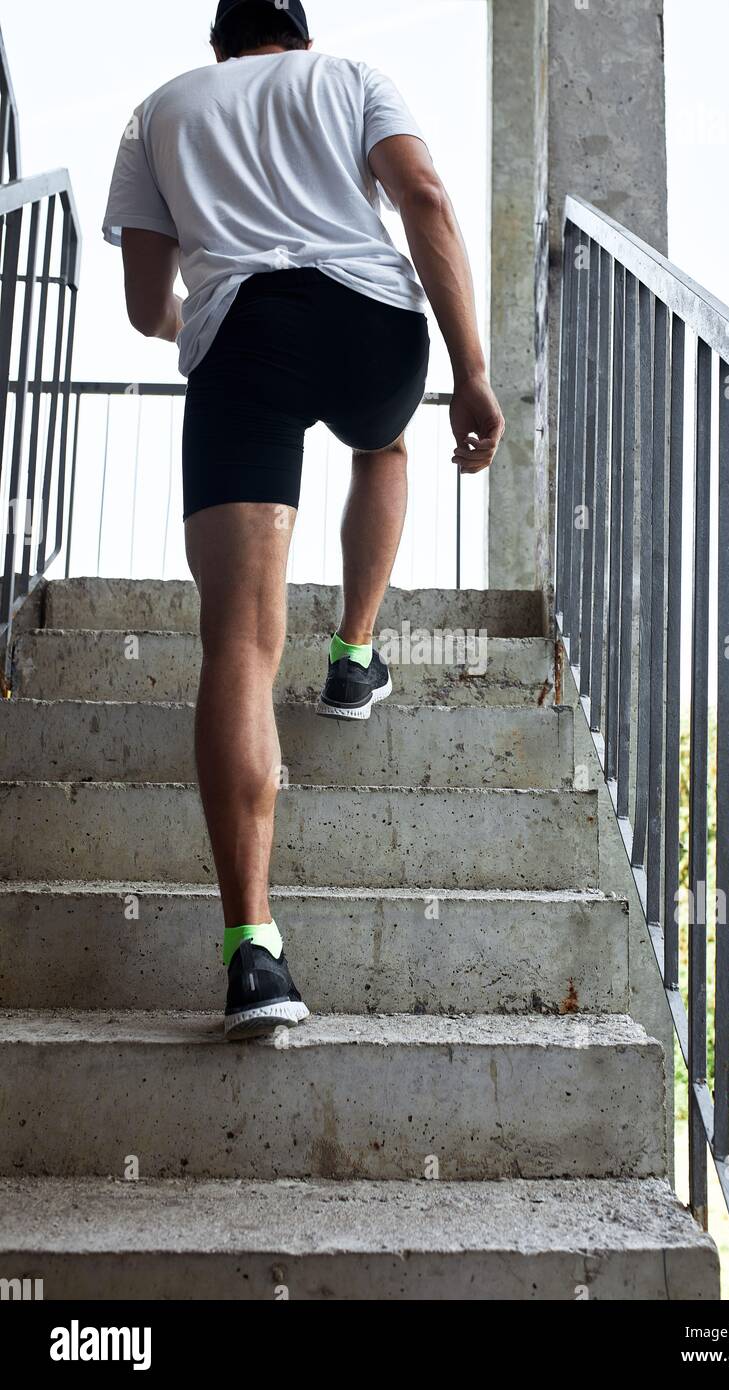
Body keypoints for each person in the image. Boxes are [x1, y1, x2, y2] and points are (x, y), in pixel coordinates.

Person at [102, 0, 505, 1039]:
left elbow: (149, 304)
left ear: (221, 44)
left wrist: (216, 308)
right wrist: (469, 372)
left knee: (237, 637)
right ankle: (355, 652)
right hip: (370, 324)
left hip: (244, 336)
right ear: (298, 33)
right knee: (381, 444)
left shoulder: (158, 111)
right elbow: (421, 196)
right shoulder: (351, 77)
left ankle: (253, 954)